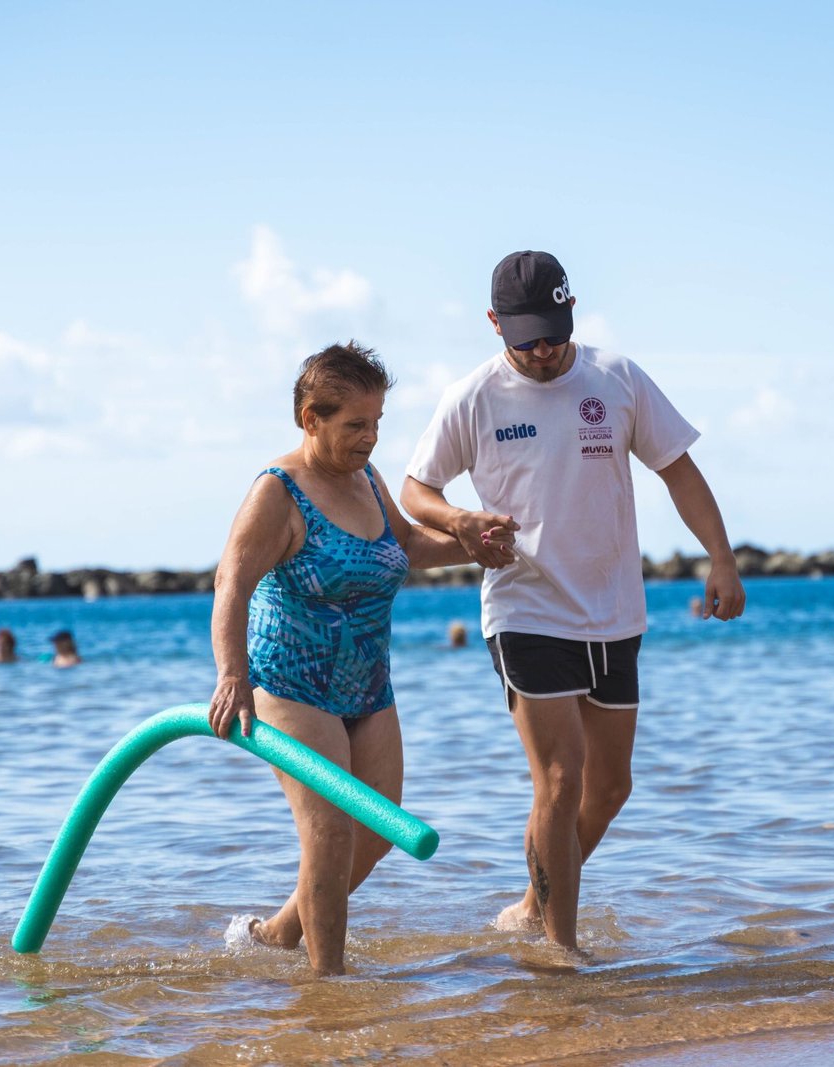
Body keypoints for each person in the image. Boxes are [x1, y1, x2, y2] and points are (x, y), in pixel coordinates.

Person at [400, 250, 746, 952]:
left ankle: (532, 904)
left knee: (609, 787)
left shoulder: (615, 379)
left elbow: (678, 470)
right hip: (524, 606)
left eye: (553, 332)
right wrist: (462, 522)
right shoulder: (472, 397)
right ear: (495, 324)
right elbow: (416, 490)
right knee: (559, 778)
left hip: (614, 608)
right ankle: (563, 949)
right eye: (524, 337)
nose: (542, 349)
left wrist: (721, 557)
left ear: (571, 312)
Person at [207, 340, 515, 977]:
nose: (370, 437)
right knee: (330, 833)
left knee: (376, 831)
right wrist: (232, 675)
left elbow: (404, 547)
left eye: (377, 422)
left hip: (368, 686)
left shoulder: (369, 480)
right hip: (292, 686)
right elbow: (230, 586)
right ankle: (330, 987)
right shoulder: (278, 492)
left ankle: (274, 937)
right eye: (355, 425)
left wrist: (472, 544)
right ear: (310, 419)